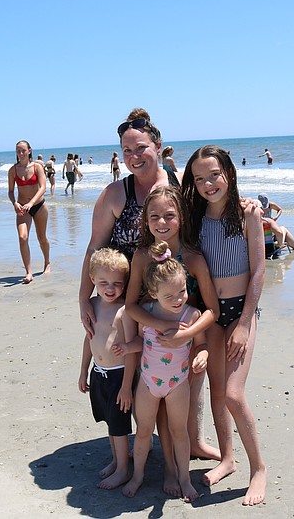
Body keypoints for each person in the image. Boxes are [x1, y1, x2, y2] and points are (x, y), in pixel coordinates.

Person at [181, 145, 267, 506]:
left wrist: (246, 321)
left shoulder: (247, 214)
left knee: (233, 393)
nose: (207, 183)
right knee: (217, 392)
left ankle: (258, 468)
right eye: (199, 178)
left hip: (241, 313)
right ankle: (228, 460)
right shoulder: (196, 219)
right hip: (212, 314)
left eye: (214, 175)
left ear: (228, 172)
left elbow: (259, 270)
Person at [121, 186, 221, 470]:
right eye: (154, 216)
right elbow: (131, 306)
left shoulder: (194, 258)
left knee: (180, 410)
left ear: (182, 218)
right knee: (159, 413)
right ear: (145, 220)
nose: (161, 223)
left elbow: (212, 309)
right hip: (154, 344)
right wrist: (164, 327)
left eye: (169, 216)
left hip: (188, 344)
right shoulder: (141, 256)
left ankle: (186, 459)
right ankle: (168, 470)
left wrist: (186, 335)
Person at [79, 108, 183, 337]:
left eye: (141, 148)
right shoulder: (114, 194)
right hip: (125, 305)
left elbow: (216, 202)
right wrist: (83, 299)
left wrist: (246, 206)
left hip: (175, 301)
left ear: (158, 146)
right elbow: (94, 248)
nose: (134, 156)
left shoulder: (181, 184)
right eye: (127, 151)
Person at [121, 242, 208, 502]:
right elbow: (140, 343)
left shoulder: (192, 315)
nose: (178, 299)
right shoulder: (146, 313)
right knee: (144, 430)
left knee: (179, 431)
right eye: (169, 296)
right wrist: (126, 347)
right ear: (153, 292)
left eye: (181, 292)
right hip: (148, 382)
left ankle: (184, 477)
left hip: (178, 383)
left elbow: (201, 343)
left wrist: (203, 354)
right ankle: (138, 475)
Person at [78, 248, 136, 490]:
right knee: (110, 422)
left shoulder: (124, 311)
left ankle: (123, 469)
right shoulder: (91, 305)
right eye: (103, 283)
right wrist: (83, 371)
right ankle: (116, 461)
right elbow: (88, 338)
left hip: (119, 375)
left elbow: (133, 350)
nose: (110, 288)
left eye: (116, 283)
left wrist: (126, 387)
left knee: (120, 426)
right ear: (93, 280)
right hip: (98, 372)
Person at [8, 140, 51, 284]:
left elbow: (43, 187)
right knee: (22, 237)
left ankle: (47, 262)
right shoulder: (13, 170)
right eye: (18, 151)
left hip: (38, 206)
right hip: (21, 208)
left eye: (23, 151)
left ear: (29, 151)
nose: (20, 154)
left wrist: (31, 203)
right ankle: (28, 272)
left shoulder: (37, 167)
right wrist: (14, 203)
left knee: (41, 238)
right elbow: (10, 191)